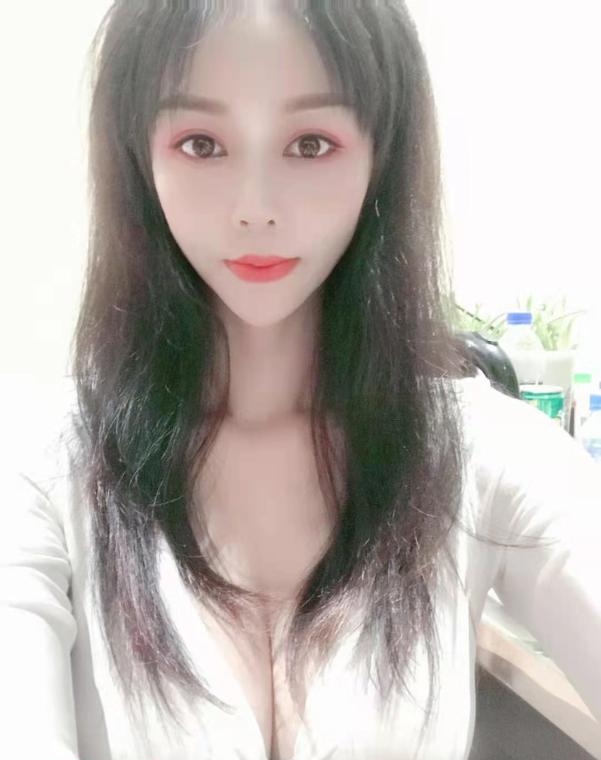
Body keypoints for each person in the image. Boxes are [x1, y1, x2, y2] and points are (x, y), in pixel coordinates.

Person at [1, 1, 600, 759]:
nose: (255, 209)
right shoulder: (41, 461)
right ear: (138, 159)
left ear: (381, 154)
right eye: (201, 144)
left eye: (310, 144)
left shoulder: (481, 448)